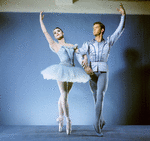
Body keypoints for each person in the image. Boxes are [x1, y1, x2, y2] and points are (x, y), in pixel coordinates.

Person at [76, 4, 126, 136]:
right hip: (91, 72)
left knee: (100, 96)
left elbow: (119, 31)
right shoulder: (88, 43)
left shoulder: (108, 42)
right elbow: (79, 52)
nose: (94, 29)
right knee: (95, 98)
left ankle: (96, 124)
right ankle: (102, 119)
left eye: (96, 27)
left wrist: (123, 16)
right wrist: (83, 64)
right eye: (93, 28)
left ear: (102, 30)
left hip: (103, 71)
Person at [39, 11, 90, 135]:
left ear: (62, 33)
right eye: (55, 33)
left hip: (72, 70)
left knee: (64, 95)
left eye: (58, 31)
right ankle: (68, 120)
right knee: (64, 95)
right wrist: (41, 20)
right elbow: (45, 33)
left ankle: (60, 118)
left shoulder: (71, 45)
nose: (56, 33)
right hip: (62, 69)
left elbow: (81, 53)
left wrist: (85, 58)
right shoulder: (55, 45)